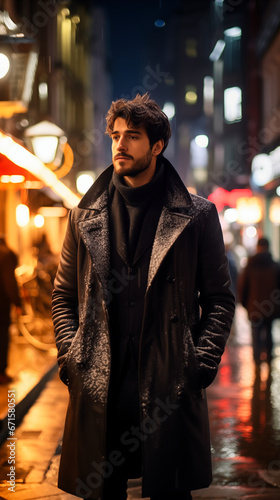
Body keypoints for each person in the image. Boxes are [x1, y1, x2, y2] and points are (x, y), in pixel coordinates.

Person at [52, 93, 235, 500]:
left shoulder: (197, 216)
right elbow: (63, 295)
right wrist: (71, 357)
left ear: (157, 145)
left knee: (169, 491)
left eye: (132, 136)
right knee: (102, 489)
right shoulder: (84, 215)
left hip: (169, 383)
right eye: (115, 135)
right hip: (102, 382)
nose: (120, 144)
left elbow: (220, 299)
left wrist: (199, 362)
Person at [237, 237, 280, 365]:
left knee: (256, 336)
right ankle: (269, 359)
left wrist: (246, 305)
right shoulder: (275, 266)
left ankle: (257, 362)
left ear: (258, 247)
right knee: (269, 334)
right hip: (270, 308)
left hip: (254, 307)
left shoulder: (250, 266)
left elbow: (242, 287)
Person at [0, 236, 21, 384]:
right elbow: (9, 282)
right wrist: (17, 303)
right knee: (2, 337)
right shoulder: (5, 254)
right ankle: (1, 373)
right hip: (1, 305)